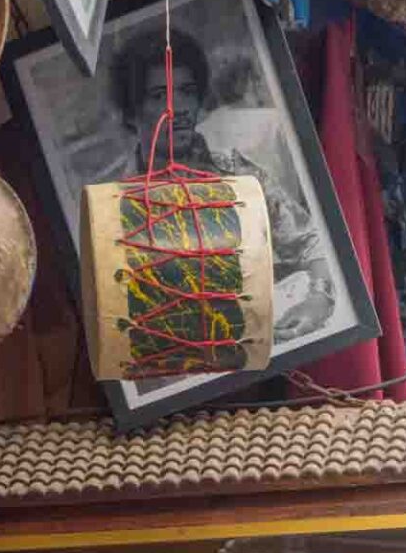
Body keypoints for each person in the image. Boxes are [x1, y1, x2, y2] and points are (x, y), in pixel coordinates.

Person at [102, 26, 335, 343]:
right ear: (131, 114)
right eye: (159, 96)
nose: (178, 107)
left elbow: (310, 241)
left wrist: (319, 298)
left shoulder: (235, 170)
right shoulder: (118, 209)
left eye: (187, 91)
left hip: (280, 336)